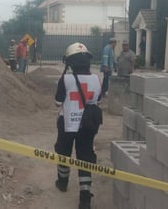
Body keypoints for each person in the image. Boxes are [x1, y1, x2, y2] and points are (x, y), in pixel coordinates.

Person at [54, 42, 102, 209]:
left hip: (67, 124)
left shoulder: (65, 79)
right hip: (88, 126)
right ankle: (85, 198)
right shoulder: (97, 79)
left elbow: (57, 102)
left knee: (63, 153)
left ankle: (62, 183)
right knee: (85, 158)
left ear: (69, 63)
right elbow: (98, 100)